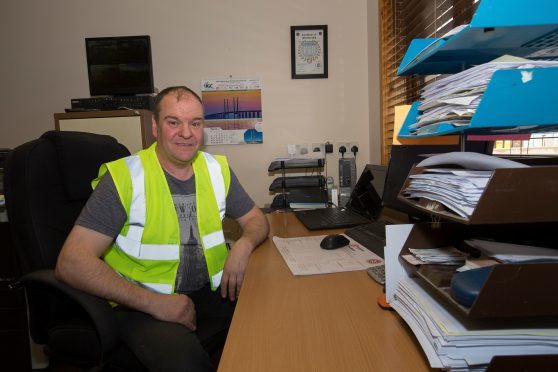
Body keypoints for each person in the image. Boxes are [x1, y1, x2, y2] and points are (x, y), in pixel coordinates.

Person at [55, 86, 270, 371]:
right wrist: (154, 303)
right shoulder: (125, 177)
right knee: (185, 363)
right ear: (155, 127)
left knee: (270, 321)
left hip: (207, 292)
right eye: (173, 122)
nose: (186, 133)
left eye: (195, 123)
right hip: (139, 304)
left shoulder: (215, 170)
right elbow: (71, 262)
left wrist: (243, 246)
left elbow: (258, 221)